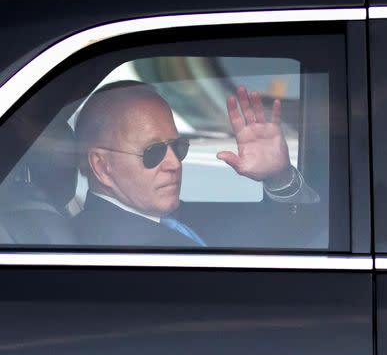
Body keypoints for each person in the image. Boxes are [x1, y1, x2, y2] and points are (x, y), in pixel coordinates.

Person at [73, 80, 319, 247]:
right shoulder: (112, 248)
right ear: (102, 166)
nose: (174, 163)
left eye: (178, 147)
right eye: (153, 152)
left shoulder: (170, 218)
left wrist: (278, 177)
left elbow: (296, 236)